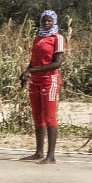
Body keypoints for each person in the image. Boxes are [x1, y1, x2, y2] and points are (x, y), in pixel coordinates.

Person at [20, 8, 66, 164]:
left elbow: (57, 63)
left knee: (49, 116)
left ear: (54, 21)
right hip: (35, 80)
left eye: (49, 20)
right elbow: (33, 60)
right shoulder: (38, 38)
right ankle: (39, 152)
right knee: (38, 116)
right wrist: (26, 72)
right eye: (44, 20)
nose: (46, 23)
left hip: (49, 80)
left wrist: (32, 70)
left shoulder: (58, 38)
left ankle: (50, 156)